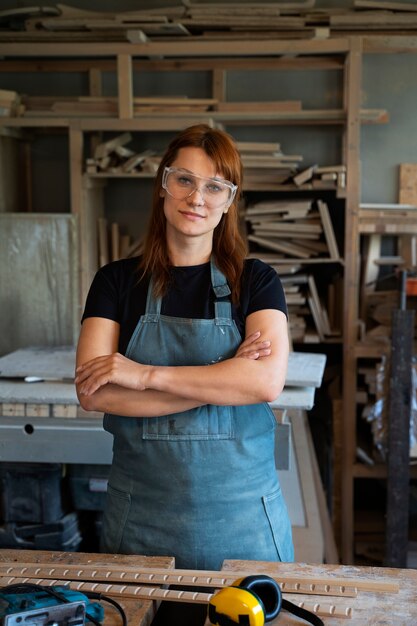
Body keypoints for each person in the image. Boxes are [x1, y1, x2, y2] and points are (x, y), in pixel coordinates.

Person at [75, 123, 294, 573]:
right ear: (163, 184)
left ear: (229, 201)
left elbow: (265, 381)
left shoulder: (256, 281)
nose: (197, 198)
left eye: (215, 187)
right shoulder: (116, 282)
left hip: (244, 525)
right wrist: (223, 377)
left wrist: (143, 375)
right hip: (141, 525)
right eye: (185, 180)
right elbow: (93, 392)